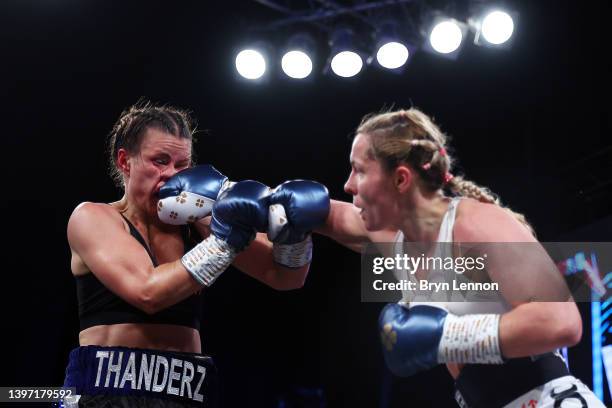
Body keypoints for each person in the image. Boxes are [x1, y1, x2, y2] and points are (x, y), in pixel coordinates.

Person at [316, 107, 604, 407]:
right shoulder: (397, 239)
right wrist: (271, 203)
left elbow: (561, 321)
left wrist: (444, 336)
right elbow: (327, 215)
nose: (348, 184)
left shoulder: (476, 224)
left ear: (401, 180)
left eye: (360, 170)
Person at [62, 101, 329, 407]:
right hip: (107, 389)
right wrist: (226, 240)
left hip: (189, 391)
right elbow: (148, 292)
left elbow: (285, 276)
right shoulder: (93, 218)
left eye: (181, 165)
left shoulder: (200, 221)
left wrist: (293, 233)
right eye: (160, 161)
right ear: (125, 161)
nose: (171, 175)